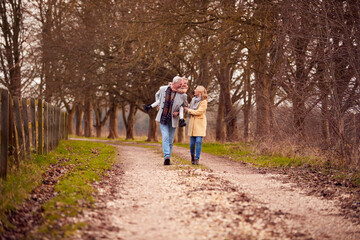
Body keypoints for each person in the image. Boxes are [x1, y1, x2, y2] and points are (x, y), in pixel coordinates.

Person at [149, 76, 187, 165]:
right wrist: (158, 105)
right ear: (175, 83)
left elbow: (185, 106)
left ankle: (168, 157)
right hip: (163, 117)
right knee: (165, 137)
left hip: (173, 119)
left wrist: (178, 113)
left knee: (170, 139)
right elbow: (157, 96)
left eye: (182, 84)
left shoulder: (183, 95)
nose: (182, 85)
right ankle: (166, 156)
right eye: (180, 84)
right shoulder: (163, 89)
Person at [184, 85, 208, 165]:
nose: (194, 90)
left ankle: (197, 158)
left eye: (196, 89)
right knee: (192, 143)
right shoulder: (193, 100)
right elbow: (191, 108)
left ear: (199, 92)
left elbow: (199, 112)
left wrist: (189, 110)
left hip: (200, 124)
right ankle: (192, 157)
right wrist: (187, 106)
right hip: (192, 123)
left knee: (198, 141)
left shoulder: (203, 102)